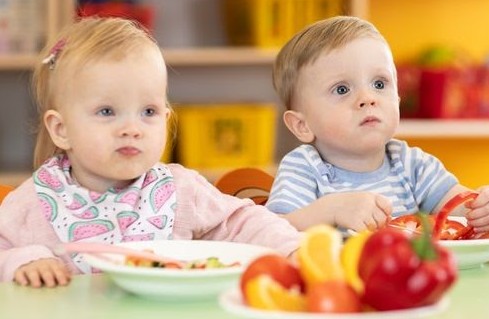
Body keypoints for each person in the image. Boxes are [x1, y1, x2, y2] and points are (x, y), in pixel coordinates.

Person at [267, 15, 489, 319]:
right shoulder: (305, 166)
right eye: (341, 89)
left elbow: (460, 209)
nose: (367, 98)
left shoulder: (412, 163)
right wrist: (331, 209)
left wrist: (487, 204)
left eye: (380, 84)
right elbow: (272, 229)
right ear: (301, 125)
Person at [0, 17, 301, 287]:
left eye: (148, 111)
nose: (132, 128)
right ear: (61, 128)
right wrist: (24, 260)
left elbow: (243, 222)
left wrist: (293, 247)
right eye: (107, 111)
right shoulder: (32, 203)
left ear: (167, 118)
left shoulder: (181, 190)